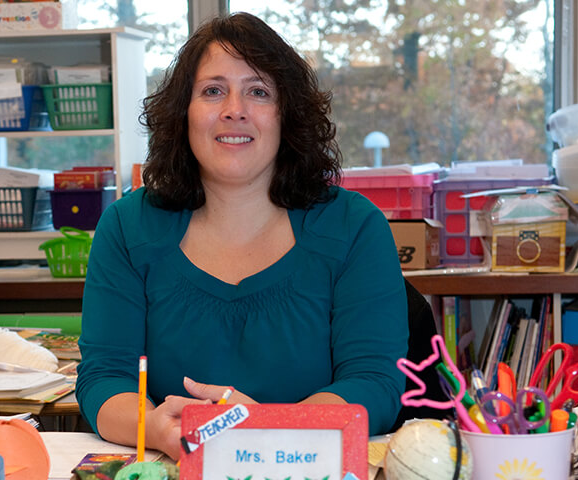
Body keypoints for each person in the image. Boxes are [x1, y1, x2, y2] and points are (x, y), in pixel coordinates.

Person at [76, 12, 408, 459]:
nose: (235, 109)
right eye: (213, 91)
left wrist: (270, 433)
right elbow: (105, 377)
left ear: (286, 116)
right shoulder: (126, 229)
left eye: (258, 92)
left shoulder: (354, 227)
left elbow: (374, 381)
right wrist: (156, 430)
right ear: (184, 115)